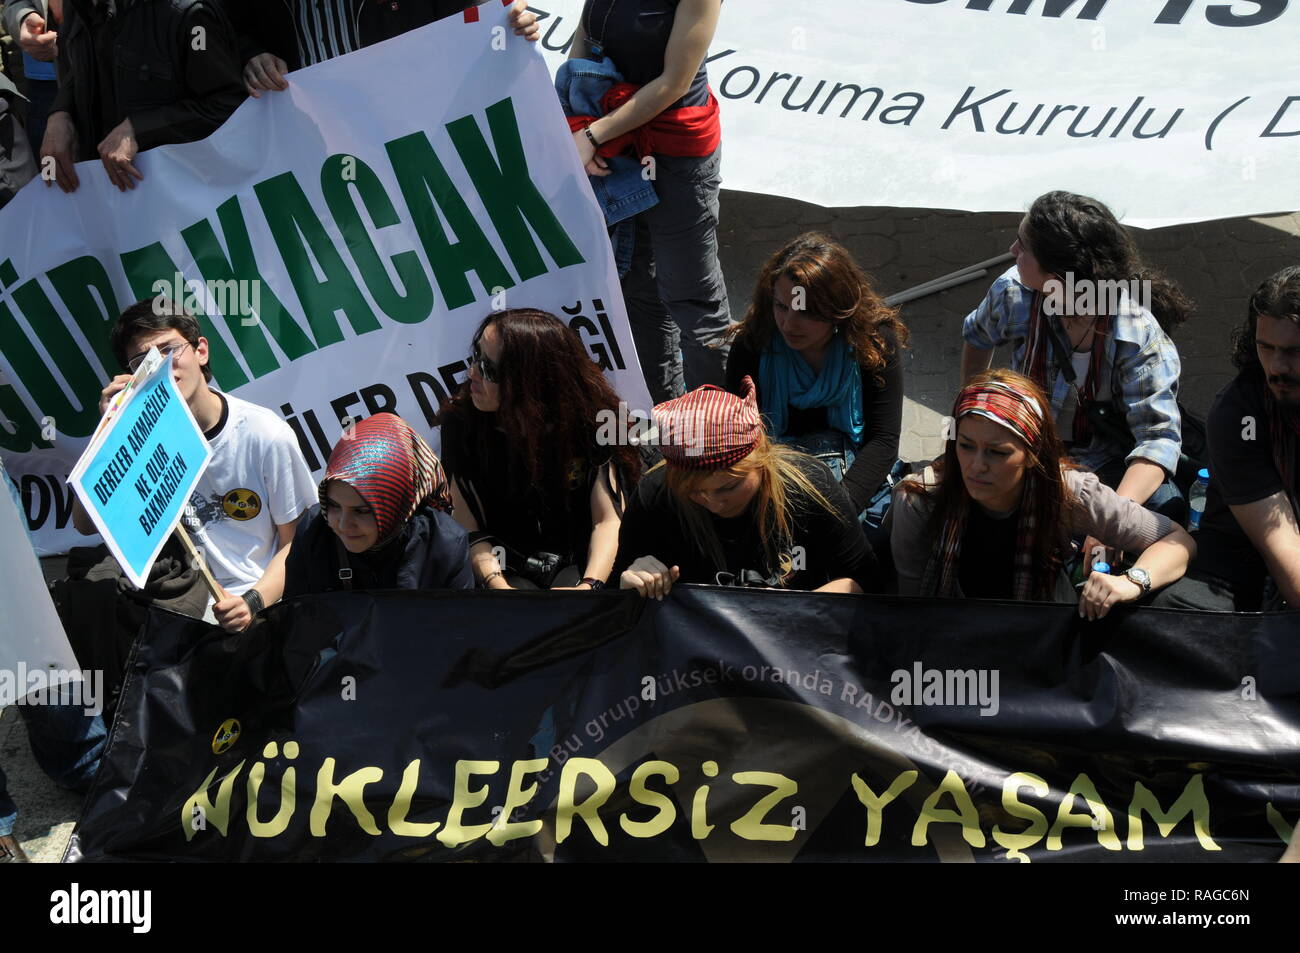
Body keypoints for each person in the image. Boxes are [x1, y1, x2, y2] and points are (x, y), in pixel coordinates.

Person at [960, 191, 1191, 565]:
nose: (1012, 248)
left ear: (1057, 275)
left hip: (1105, 466)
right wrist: (971, 415)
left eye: (1025, 247)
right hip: (1028, 454)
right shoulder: (1012, 293)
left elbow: (1157, 440)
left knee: (1168, 505)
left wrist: (1111, 521)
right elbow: (976, 336)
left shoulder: (1136, 332)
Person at [71, 297, 317, 632]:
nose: (162, 367)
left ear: (201, 351)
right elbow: (85, 524)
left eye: (170, 350)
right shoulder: (141, 441)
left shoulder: (265, 434)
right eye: (143, 362)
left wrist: (253, 602)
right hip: (177, 604)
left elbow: (298, 544)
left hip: (256, 608)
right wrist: (109, 432)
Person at [890, 371, 1194, 616]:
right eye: (966, 446)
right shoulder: (919, 500)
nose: (976, 466)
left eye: (997, 452)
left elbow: (1178, 541)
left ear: (1033, 454)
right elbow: (913, 606)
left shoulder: (1068, 493)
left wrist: (1131, 582)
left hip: (1039, 635)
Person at [567, 0, 730, 403]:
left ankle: (724, 433)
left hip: (677, 154)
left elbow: (675, 81)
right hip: (619, 143)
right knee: (638, 287)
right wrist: (579, 119)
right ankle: (665, 421)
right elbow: (585, 40)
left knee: (694, 304)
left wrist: (591, 136)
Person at [616, 376, 879, 599]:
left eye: (728, 487)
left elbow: (866, 576)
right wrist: (631, 582)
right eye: (694, 493)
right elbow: (614, 591)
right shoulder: (655, 495)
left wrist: (800, 609)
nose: (713, 503)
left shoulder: (809, 486)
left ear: (762, 461)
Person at [436, 307, 642, 590]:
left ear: (529, 381)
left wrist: (588, 587)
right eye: (475, 358)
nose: (472, 373)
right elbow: (467, 525)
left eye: (488, 368)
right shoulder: (461, 420)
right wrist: (499, 585)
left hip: (582, 564)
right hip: (503, 568)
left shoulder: (594, 418)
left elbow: (607, 520)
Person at [724, 232, 908, 518]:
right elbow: (736, 438)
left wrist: (837, 511)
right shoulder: (753, 343)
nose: (788, 324)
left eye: (805, 312)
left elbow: (883, 441)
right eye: (781, 306)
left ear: (837, 310)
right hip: (773, 483)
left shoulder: (874, 343)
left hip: (850, 487)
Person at [1153, 266, 1300, 612]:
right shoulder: (1238, 414)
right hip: (1243, 562)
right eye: (1266, 348)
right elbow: (1286, 554)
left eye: (1294, 351)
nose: (1277, 367)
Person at [39, 0, 246, 193]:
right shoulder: (76, 7)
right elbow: (80, 66)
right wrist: (60, 113)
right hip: (107, 200)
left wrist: (140, 129)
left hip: (180, 202)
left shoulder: (188, 15)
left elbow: (228, 104)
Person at [283, 412, 473, 596]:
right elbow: (296, 621)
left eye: (362, 511)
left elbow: (459, 626)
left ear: (397, 503)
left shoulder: (444, 545)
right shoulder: (313, 533)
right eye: (333, 505)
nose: (343, 525)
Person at [232, 0, 539, 96]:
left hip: (408, 134)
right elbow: (230, 25)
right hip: (310, 141)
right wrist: (251, 56)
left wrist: (508, 24)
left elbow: (471, 18)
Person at [2, 0, 59, 153]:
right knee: (50, 169)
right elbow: (14, 4)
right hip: (45, 84)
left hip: (116, 77)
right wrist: (22, 17)